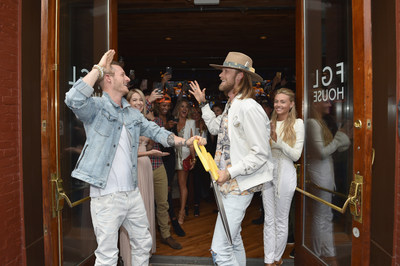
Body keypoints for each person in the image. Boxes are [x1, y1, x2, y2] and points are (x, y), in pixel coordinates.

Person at [64, 49, 206, 265]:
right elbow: (73, 99)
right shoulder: (97, 107)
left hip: (131, 193)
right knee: (107, 255)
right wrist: (99, 68)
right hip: (106, 196)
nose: (129, 78)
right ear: (109, 79)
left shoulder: (131, 113)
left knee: (143, 243)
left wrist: (185, 141)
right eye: (123, 75)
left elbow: (156, 131)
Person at [189, 51, 274, 265]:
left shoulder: (249, 108)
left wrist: (229, 172)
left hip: (238, 186)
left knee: (220, 250)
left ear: (240, 76)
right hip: (227, 185)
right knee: (233, 239)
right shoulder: (232, 104)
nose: (221, 75)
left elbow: (261, 153)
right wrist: (202, 103)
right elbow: (216, 128)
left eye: (225, 71)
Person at [119, 89, 168, 264]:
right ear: (127, 102)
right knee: (132, 215)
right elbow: (123, 153)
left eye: (141, 100)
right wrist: (149, 153)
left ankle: (142, 255)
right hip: (134, 168)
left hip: (146, 167)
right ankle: (129, 256)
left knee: (145, 210)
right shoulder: (123, 122)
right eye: (134, 100)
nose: (138, 103)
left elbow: (158, 132)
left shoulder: (144, 122)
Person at [262, 88, 304, 266]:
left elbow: (296, 155)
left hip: (286, 173)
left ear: (291, 104)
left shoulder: (297, 124)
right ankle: (268, 259)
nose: (278, 105)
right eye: (276, 101)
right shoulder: (268, 122)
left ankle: (277, 259)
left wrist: (276, 141)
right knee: (268, 219)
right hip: (267, 173)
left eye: (283, 101)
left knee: (281, 219)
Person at [307, 99, 351, 265]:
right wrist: (339, 138)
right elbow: (321, 153)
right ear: (316, 103)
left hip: (325, 174)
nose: (329, 104)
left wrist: (340, 138)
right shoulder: (312, 123)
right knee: (320, 216)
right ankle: (316, 253)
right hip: (319, 175)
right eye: (325, 101)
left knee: (325, 215)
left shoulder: (319, 122)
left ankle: (327, 252)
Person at [152, 95, 186, 237]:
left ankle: (171, 222)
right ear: (157, 106)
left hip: (169, 157)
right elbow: (155, 137)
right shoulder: (153, 118)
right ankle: (166, 222)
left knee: (168, 189)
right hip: (157, 156)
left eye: (167, 105)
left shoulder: (172, 118)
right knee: (160, 191)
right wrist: (165, 128)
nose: (165, 108)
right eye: (163, 105)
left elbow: (175, 140)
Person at [172, 98, 196, 224]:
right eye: (182, 106)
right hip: (171, 156)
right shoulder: (173, 122)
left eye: (186, 107)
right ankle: (170, 212)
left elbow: (192, 142)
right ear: (178, 109)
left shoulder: (191, 122)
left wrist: (193, 158)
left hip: (184, 156)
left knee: (182, 185)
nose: (184, 109)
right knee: (169, 186)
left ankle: (181, 212)